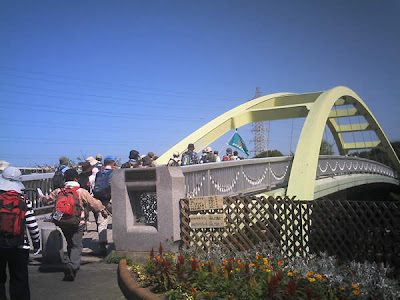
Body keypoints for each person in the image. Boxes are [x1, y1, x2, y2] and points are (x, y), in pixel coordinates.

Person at [39, 169, 108, 281]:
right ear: (76, 179)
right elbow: (94, 203)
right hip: (77, 222)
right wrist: (103, 210)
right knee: (77, 244)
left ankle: (72, 261)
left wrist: (41, 197)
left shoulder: (59, 191)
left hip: (62, 222)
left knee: (71, 242)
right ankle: (72, 265)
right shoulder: (81, 191)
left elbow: (46, 200)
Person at [0, 166, 40, 300]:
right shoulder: (23, 200)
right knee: (19, 280)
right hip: (19, 246)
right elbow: (32, 225)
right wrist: (36, 243)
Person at [93, 156, 116, 256]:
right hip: (111, 200)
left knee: (102, 222)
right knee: (120, 219)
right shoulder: (114, 173)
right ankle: (119, 243)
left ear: (104, 163)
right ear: (113, 163)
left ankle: (102, 244)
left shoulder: (98, 173)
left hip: (99, 200)